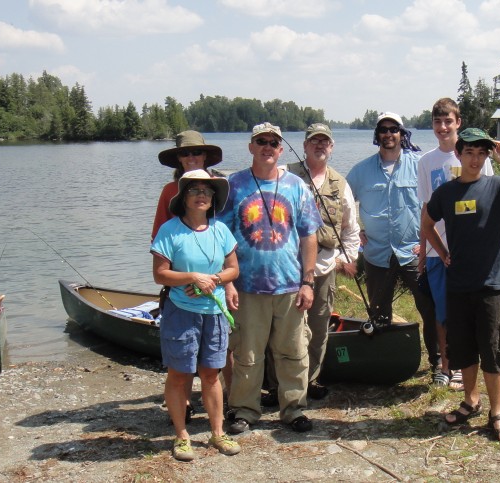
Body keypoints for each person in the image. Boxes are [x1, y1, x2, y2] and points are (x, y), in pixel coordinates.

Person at [422, 128, 500, 443]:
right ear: (459, 154)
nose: (475, 159)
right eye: (469, 153)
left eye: (481, 153)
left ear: (487, 156)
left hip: (491, 286)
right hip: (458, 285)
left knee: (492, 350)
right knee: (463, 349)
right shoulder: (446, 193)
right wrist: (443, 251)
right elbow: (426, 222)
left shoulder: (499, 187)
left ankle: (497, 412)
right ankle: (470, 401)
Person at [218, 122, 322, 434]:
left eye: (273, 143)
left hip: (290, 286)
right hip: (247, 287)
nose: (267, 147)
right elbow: (221, 237)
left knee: (293, 351)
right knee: (247, 353)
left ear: (280, 150)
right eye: (260, 141)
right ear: (250, 146)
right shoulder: (233, 186)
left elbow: (309, 237)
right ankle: (245, 410)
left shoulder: (297, 187)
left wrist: (308, 281)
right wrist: (227, 282)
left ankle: (293, 409)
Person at [151, 169, 241, 460]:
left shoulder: (220, 230)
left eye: (207, 191)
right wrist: (191, 277)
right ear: (183, 198)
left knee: (211, 375)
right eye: (194, 190)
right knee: (179, 375)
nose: (202, 195)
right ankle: (181, 436)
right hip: (181, 313)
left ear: (213, 198)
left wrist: (212, 280)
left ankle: (217, 434)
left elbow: (233, 270)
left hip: (214, 312)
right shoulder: (170, 230)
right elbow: (160, 275)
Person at [346, 112, 440, 378]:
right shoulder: (360, 171)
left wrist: (430, 242)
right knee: (378, 312)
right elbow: (342, 204)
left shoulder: (420, 164)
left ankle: (439, 362)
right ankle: (383, 362)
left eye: (394, 129)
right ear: (377, 135)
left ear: (402, 134)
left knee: (429, 308)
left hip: (414, 252)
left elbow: (434, 203)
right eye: (383, 130)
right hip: (376, 254)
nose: (388, 134)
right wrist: (355, 231)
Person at [153, 130, 231, 424]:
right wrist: (187, 279)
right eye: (185, 153)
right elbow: (162, 243)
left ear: (205, 156)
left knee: (218, 361)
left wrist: (225, 281)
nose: (190, 157)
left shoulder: (218, 187)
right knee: (181, 365)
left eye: (195, 153)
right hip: (183, 288)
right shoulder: (168, 192)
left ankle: (223, 413)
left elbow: (228, 248)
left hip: (216, 290)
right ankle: (182, 408)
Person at [418, 98, 494, 390]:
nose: (443, 127)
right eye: (437, 122)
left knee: (469, 311)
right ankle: (445, 366)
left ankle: (465, 365)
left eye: (448, 121)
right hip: (440, 251)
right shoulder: (426, 162)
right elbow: (424, 210)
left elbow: (488, 201)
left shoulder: (474, 157)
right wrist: (424, 251)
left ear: (458, 123)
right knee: (442, 312)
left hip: (469, 250)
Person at [286, 123, 360, 399]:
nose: (320, 146)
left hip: (325, 267)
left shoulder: (340, 184)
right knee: (287, 329)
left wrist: (346, 258)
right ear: (304, 146)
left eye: (324, 141)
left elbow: (351, 229)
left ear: (331, 146)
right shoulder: (286, 176)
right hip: (289, 267)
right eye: (314, 141)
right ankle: (278, 382)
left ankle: (310, 380)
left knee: (318, 327)